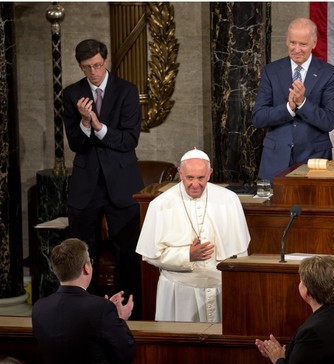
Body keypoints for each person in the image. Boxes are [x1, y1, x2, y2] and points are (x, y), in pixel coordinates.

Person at [63, 39, 144, 315]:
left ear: (106, 61)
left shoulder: (127, 91)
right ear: (81, 67)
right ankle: (87, 313)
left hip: (122, 183)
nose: (94, 72)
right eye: (87, 68)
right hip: (87, 185)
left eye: (97, 65)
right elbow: (75, 144)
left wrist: (98, 125)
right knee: (83, 254)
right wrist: (84, 122)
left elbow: (129, 139)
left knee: (128, 254)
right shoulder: (72, 93)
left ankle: (130, 312)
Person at [136, 148, 251, 322]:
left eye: (201, 178)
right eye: (190, 177)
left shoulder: (229, 200)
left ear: (210, 174)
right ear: (180, 173)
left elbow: (241, 252)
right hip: (181, 291)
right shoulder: (160, 205)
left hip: (222, 289)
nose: (195, 184)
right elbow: (149, 256)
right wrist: (187, 255)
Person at [252, 17, 334, 182]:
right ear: (286, 40)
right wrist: (289, 108)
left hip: (314, 161)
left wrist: (303, 103)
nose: (297, 49)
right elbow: (259, 118)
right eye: (293, 43)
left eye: (303, 44)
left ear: (314, 43)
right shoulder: (271, 72)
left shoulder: (329, 74)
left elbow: (329, 121)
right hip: (275, 161)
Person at [32, 238, 136, 364]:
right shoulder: (102, 308)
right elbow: (127, 354)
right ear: (87, 267)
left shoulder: (39, 307)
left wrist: (107, 312)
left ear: (55, 271)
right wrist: (120, 319)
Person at [255, 256, 334, 363]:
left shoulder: (312, 331)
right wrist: (281, 353)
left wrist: (277, 359)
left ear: (308, 292)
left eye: (301, 281)